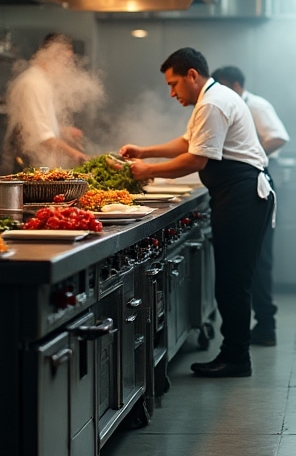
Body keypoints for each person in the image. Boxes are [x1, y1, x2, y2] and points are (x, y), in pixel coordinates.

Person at [118, 48, 275, 378]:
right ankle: (234, 352)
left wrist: (148, 171)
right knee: (232, 281)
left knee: (234, 282)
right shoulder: (212, 97)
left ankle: (236, 357)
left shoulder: (213, 102)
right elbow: (188, 142)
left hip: (243, 196)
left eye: (174, 84)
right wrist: (145, 151)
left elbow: (195, 160)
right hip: (237, 196)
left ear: (192, 75)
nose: (172, 92)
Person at [212, 65, 289, 347]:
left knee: (259, 261)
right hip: (250, 183)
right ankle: (262, 324)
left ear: (234, 85)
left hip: (257, 184)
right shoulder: (234, 104)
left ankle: (266, 324)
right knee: (253, 262)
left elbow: (279, 136)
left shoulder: (256, 105)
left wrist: (251, 156)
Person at [2, 33, 93, 169]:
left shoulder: (41, 81)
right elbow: (40, 136)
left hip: (36, 164)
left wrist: (61, 130)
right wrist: (78, 156)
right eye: (65, 60)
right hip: (26, 164)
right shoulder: (33, 84)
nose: (67, 66)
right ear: (51, 54)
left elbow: (36, 123)